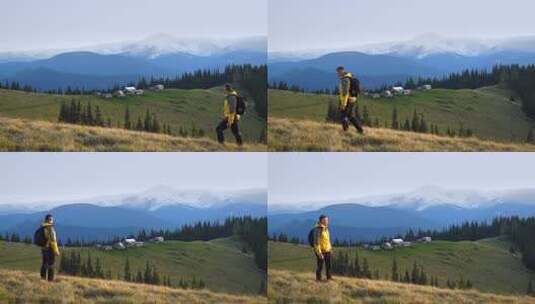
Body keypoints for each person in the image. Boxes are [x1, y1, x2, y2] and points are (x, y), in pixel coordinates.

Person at [337, 66, 364, 134]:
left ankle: (345, 131)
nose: (337, 74)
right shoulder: (350, 77)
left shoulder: (345, 79)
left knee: (343, 116)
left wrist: (343, 104)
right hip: (352, 99)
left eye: (338, 72)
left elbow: (345, 93)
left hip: (347, 100)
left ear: (341, 71)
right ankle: (360, 130)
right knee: (351, 116)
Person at [40, 214, 60, 281]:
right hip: (50, 249)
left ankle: (42, 279)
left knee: (44, 264)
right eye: (51, 219)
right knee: (51, 265)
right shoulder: (50, 228)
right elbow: (53, 241)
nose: (52, 221)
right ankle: (50, 280)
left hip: (43, 248)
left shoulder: (42, 227)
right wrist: (56, 251)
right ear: (49, 220)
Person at [313, 214, 332, 281]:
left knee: (328, 265)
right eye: (325, 220)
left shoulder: (326, 229)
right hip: (321, 251)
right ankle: (318, 279)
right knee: (320, 266)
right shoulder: (318, 230)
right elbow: (316, 242)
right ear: (321, 221)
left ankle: (329, 278)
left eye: (327, 220)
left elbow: (327, 240)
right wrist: (319, 253)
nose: (327, 221)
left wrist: (330, 248)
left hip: (327, 250)